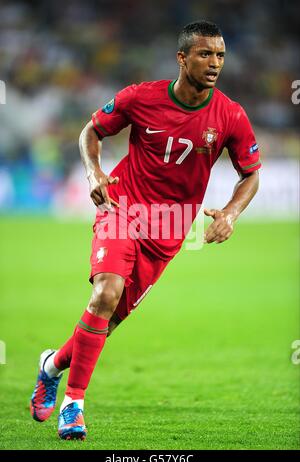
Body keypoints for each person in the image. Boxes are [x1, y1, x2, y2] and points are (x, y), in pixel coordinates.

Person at [30, 20, 260, 440]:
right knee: (105, 293)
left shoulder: (230, 115)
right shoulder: (140, 97)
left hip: (170, 229)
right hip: (123, 207)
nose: (214, 63)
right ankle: (73, 406)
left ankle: (50, 367)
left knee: (108, 319)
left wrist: (230, 213)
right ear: (182, 58)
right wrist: (93, 171)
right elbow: (92, 131)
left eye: (220, 55)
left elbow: (250, 174)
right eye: (205, 54)